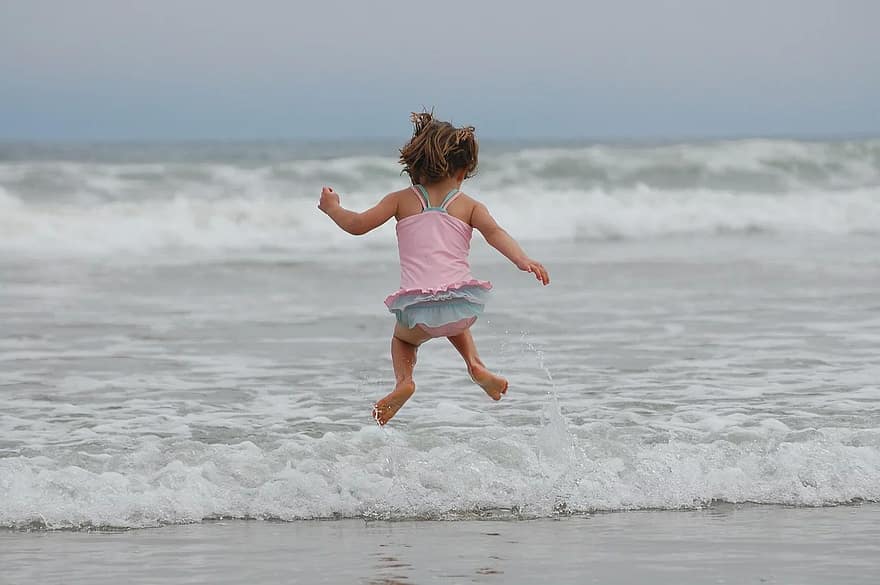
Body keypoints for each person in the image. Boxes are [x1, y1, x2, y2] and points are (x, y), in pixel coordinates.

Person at [318, 111, 549, 425]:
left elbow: (357, 225)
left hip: (418, 310)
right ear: (462, 170)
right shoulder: (469, 206)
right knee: (452, 312)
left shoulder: (400, 200)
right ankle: (476, 366)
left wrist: (333, 209)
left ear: (414, 166)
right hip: (462, 305)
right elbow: (495, 233)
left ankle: (404, 383)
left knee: (403, 340)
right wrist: (523, 259)